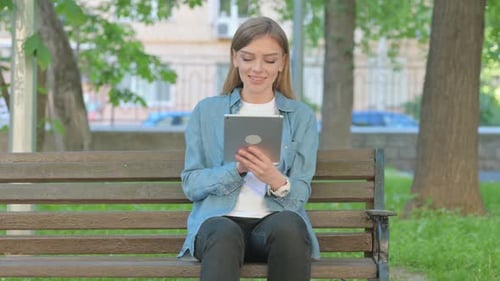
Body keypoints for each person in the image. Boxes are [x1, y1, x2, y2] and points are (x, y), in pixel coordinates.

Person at [178, 16, 319, 281]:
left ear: (283, 63)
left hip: (272, 226)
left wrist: (274, 179)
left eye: (269, 60)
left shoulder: (301, 117)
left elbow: (301, 193)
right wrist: (237, 169)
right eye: (248, 58)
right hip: (218, 224)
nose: (258, 68)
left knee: (290, 225)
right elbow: (191, 184)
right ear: (234, 58)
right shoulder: (207, 111)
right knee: (224, 231)